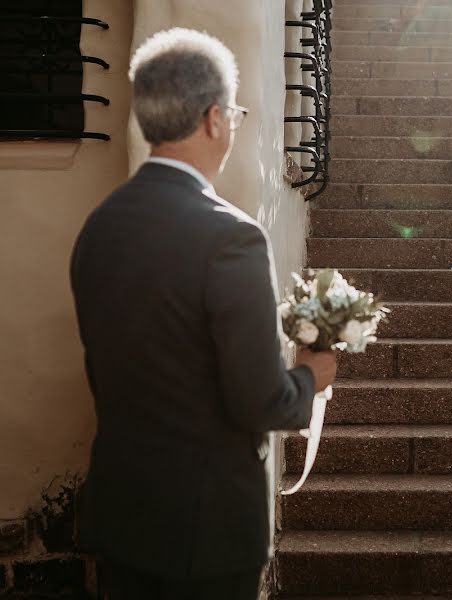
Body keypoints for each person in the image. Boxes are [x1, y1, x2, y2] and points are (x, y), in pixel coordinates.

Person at [69, 28, 336, 598]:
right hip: (205, 529)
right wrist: (314, 372)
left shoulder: (98, 225)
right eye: (236, 113)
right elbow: (261, 401)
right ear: (215, 119)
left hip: (122, 517)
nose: (235, 126)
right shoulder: (230, 237)